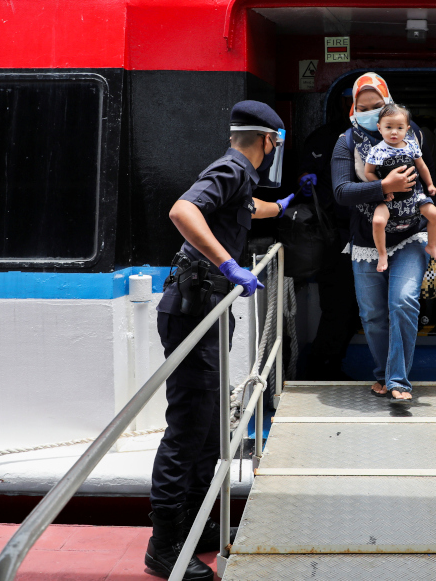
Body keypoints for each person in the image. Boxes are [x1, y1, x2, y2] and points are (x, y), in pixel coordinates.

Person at [146, 101, 295, 580]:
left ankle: (195, 522)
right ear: (268, 140)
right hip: (192, 310)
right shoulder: (231, 167)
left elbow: (253, 208)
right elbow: (183, 209)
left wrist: (288, 205)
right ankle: (164, 545)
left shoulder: (240, 178)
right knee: (188, 429)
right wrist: (228, 264)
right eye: (277, 143)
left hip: (209, 310)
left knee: (209, 425)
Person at [332, 73, 430, 403]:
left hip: (410, 233)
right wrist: (384, 186)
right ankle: (383, 376)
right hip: (366, 239)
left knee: (402, 302)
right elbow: (342, 191)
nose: (372, 113)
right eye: (364, 107)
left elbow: (420, 176)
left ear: (390, 106)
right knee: (372, 315)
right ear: (353, 108)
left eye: (378, 107)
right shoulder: (346, 143)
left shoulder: (409, 135)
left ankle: (399, 380)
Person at [296, 88, 362, 380]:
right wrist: (303, 181)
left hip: (366, 235)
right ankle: (322, 368)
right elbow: (301, 178)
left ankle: (330, 363)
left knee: (358, 308)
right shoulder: (324, 137)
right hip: (332, 236)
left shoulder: (377, 138)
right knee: (338, 306)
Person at [363, 103, 436, 272]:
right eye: (389, 127)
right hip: (389, 197)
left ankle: (432, 246)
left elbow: (422, 167)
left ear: (407, 129)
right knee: (378, 221)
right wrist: (383, 188)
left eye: (399, 127)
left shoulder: (412, 146)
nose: (394, 132)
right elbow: (368, 172)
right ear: (379, 128)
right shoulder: (376, 151)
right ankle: (382, 253)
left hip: (414, 195)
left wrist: (430, 184)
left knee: (435, 214)